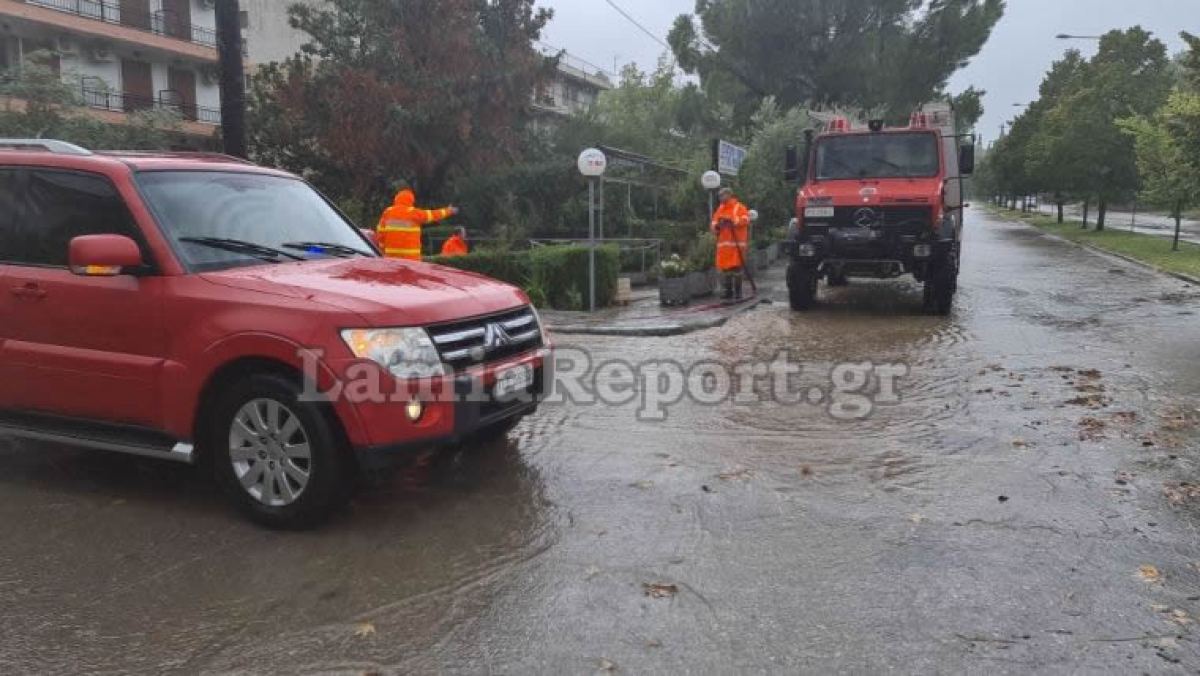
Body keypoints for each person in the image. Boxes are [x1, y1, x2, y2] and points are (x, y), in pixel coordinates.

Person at [377, 188, 458, 261]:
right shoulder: (413, 212)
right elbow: (433, 214)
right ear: (411, 200)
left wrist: (382, 249)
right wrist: (448, 211)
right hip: (411, 259)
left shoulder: (388, 212)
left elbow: (380, 232)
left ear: (396, 199)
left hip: (391, 258)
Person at [710, 186, 751, 299]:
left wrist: (733, 221)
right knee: (726, 270)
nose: (720, 198)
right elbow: (713, 223)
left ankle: (738, 292)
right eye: (719, 196)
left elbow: (746, 220)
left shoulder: (739, 207)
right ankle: (728, 292)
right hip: (724, 247)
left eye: (722, 195)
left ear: (729, 195)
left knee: (736, 269)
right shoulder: (720, 209)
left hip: (736, 245)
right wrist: (717, 226)